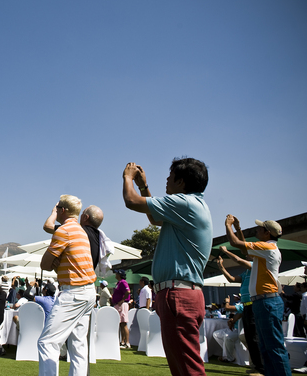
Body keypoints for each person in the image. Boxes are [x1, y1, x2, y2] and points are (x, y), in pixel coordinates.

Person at [123, 158, 212, 376]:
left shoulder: (186, 203)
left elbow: (131, 201)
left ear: (181, 181)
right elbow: (154, 217)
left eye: (170, 175)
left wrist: (127, 177)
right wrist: (144, 186)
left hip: (178, 295)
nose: (166, 179)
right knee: (182, 365)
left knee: (188, 368)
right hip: (180, 293)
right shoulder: (190, 206)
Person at [37, 195, 97, 376]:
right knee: (78, 346)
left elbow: (45, 264)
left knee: (47, 342)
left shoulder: (64, 231)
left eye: (58, 208)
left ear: (62, 210)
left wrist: (55, 262)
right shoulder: (81, 232)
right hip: (88, 292)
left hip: (73, 292)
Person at [225, 215, 291, 376]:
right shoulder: (266, 248)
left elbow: (235, 243)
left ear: (267, 233)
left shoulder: (267, 248)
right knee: (266, 346)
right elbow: (243, 249)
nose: (257, 229)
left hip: (267, 301)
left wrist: (228, 225)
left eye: (261, 228)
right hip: (264, 301)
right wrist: (238, 229)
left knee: (274, 346)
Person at [217, 246, 265, 374]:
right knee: (250, 338)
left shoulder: (255, 266)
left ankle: (262, 368)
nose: (246, 256)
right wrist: (221, 267)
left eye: (248, 255)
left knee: (255, 337)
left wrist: (226, 251)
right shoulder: (246, 273)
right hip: (247, 307)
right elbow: (231, 279)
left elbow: (238, 260)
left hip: (254, 305)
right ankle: (256, 366)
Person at [112, 269, 131, 348]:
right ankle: (122, 341)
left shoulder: (123, 282)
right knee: (121, 324)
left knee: (123, 323)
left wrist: (122, 300)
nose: (115, 275)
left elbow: (128, 291)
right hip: (118, 304)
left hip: (122, 304)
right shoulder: (119, 283)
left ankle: (127, 342)